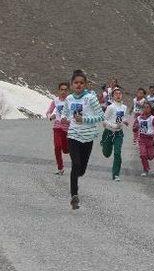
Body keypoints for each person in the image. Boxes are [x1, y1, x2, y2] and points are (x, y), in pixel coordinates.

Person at [61, 69, 104, 210]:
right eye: (76, 83)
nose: (78, 85)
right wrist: (64, 118)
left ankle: (78, 175)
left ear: (85, 84)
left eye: (81, 83)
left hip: (88, 137)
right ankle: (74, 196)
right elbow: (66, 114)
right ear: (72, 84)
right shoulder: (69, 99)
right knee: (75, 164)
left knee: (81, 169)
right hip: (73, 135)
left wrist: (84, 119)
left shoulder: (90, 98)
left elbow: (100, 116)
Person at [101, 87, 128, 181]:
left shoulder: (124, 107)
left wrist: (124, 121)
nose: (118, 95)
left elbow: (121, 118)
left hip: (118, 134)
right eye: (116, 94)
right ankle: (103, 143)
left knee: (117, 152)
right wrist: (113, 125)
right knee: (106, 154)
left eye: (120, 93)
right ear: (112, 97)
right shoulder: (110, 107)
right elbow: (103, 120)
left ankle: (116, 174)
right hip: (108, 132)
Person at [45, 82, 70, 175]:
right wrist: (50, 116)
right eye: (61, 90)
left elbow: (76, 114)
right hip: (57, 127)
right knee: (57, 147)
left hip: (67, 128)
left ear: (68, 91)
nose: (63, 92)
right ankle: (60, 168)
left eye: (65, 90)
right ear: (59, 91)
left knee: (66, 150)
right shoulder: (55, 101)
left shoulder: (71, 101)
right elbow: (48, 112)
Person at [132, 101, 154, 176]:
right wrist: (136, 128)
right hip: (142, 138)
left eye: (147, 107)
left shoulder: (153, 119)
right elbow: (134, 129)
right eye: (144, 107)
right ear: (142, 109)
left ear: (150, 109)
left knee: (150, 157)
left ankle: (148, 160)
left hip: (150, 139)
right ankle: (146, 169)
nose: (145, 109)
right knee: (143, 155)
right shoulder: (138, 118)